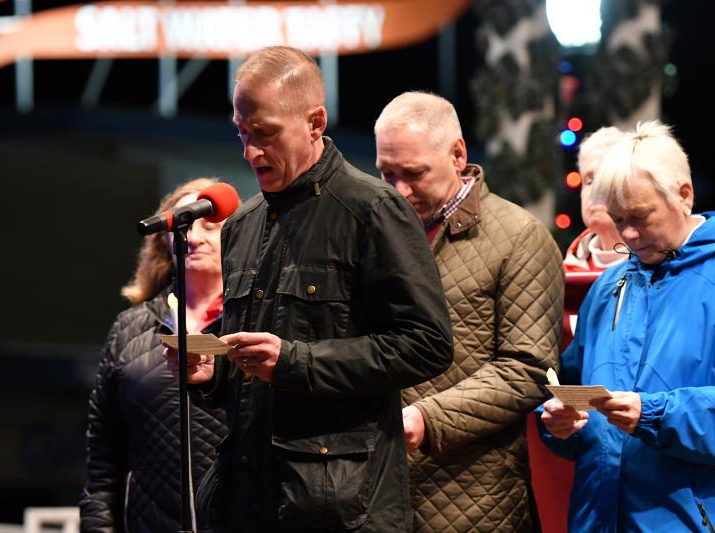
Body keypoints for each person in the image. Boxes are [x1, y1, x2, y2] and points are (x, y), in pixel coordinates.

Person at [166, 47, 453, 532]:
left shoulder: (373, 210)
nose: (249, 151)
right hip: (247, 502)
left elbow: (428, 345)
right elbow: (249, 367)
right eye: (242, 133)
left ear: (315, 121)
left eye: (266, 134)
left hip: (340, 511)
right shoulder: (244, 223)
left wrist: (297, 362)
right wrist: (208, 372)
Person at [538, 121, 715, 531]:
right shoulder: (609, 285)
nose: (628, 234)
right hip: (596, 517)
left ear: (684, 195)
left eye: (640, 216)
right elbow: (572, 384)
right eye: (618, 219)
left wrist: (655, 415)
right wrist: (556, 421)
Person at [374, 91, 564, 532]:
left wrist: (427, 418)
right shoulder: (370, 233)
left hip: (478, 506)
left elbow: (528, 368)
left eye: (414, 173)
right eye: (387, 173)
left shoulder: (521, 238)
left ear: (457, 154)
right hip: (375, 498)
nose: (399, 190)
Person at [80, 178, 229, 532]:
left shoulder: (259, 324)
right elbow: (103, 463)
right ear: (164, 239)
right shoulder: (129, 329)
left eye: (210, 226)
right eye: (183, 225)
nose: (194, 237)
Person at [563, 126, 627, 273]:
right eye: (589, 180)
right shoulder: (565, 273)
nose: (595, 190)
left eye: (605, 177)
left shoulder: (658, 265)